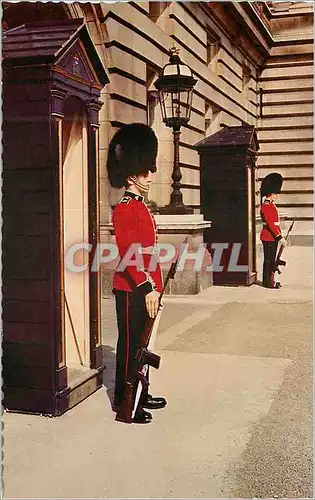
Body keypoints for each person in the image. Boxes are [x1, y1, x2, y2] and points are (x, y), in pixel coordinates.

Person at [107, 122, 167, 424]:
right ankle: (125, 403)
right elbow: (130, 255)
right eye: (145, 172)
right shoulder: (125, 208)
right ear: (132, 175)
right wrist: (147, 288)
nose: (150, 176)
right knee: (131, 347)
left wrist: (156, 285)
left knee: (145, 346)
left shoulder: (141, 207)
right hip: (133, 289)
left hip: (147, 286)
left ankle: (142, 394)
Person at [260, 172, 288, 289]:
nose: (277, 196)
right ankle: (268, 283)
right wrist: (279, 237)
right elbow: (271, 224)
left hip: (270, 236)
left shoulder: (270, 204)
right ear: (271, 193)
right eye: (276, 194)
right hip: (269, 236)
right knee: (269, 260)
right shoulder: (267, 205)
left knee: (271, 260)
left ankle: (269, 281)